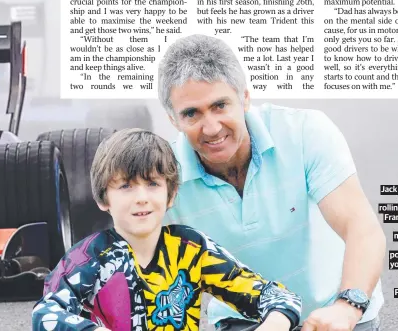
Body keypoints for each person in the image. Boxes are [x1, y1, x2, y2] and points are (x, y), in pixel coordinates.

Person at [158, 35, 386, 331]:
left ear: (245, 98)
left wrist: (347, 307)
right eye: (191, 113)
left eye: (220, 106)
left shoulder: (306, 131)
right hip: (245, 321)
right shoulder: (164, 176)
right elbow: (146, 274)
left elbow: (362, 229)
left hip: (335, 313)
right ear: (174, 120)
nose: (212, 128)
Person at [32, 128, 302, 331]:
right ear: (104, 199)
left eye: (152, 184)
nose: (141, 197)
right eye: (126, 186)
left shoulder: (191, 249)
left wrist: (273, 324)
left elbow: (275, 295)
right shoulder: (89, 257)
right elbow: (46, 314)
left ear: (170, 195)